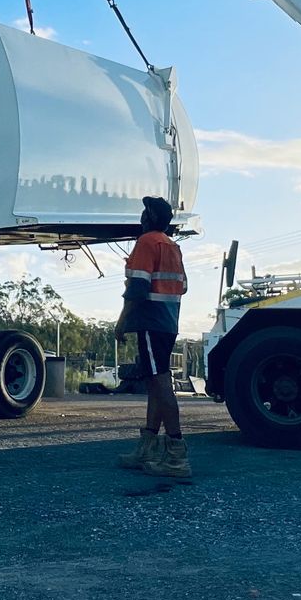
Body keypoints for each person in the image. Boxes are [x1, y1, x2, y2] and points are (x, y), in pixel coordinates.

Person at [115, 195, 190, 479]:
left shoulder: (147, 242)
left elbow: (137, 287)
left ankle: (176, 454)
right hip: (169, 322)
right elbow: (182, 287)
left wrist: (122, 321)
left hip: (150, 321)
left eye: (143, 214)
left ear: (148, 218)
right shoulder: (172, 246)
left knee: (160, 383)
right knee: (156, 381)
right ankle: (148, 446)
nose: (140, 219)